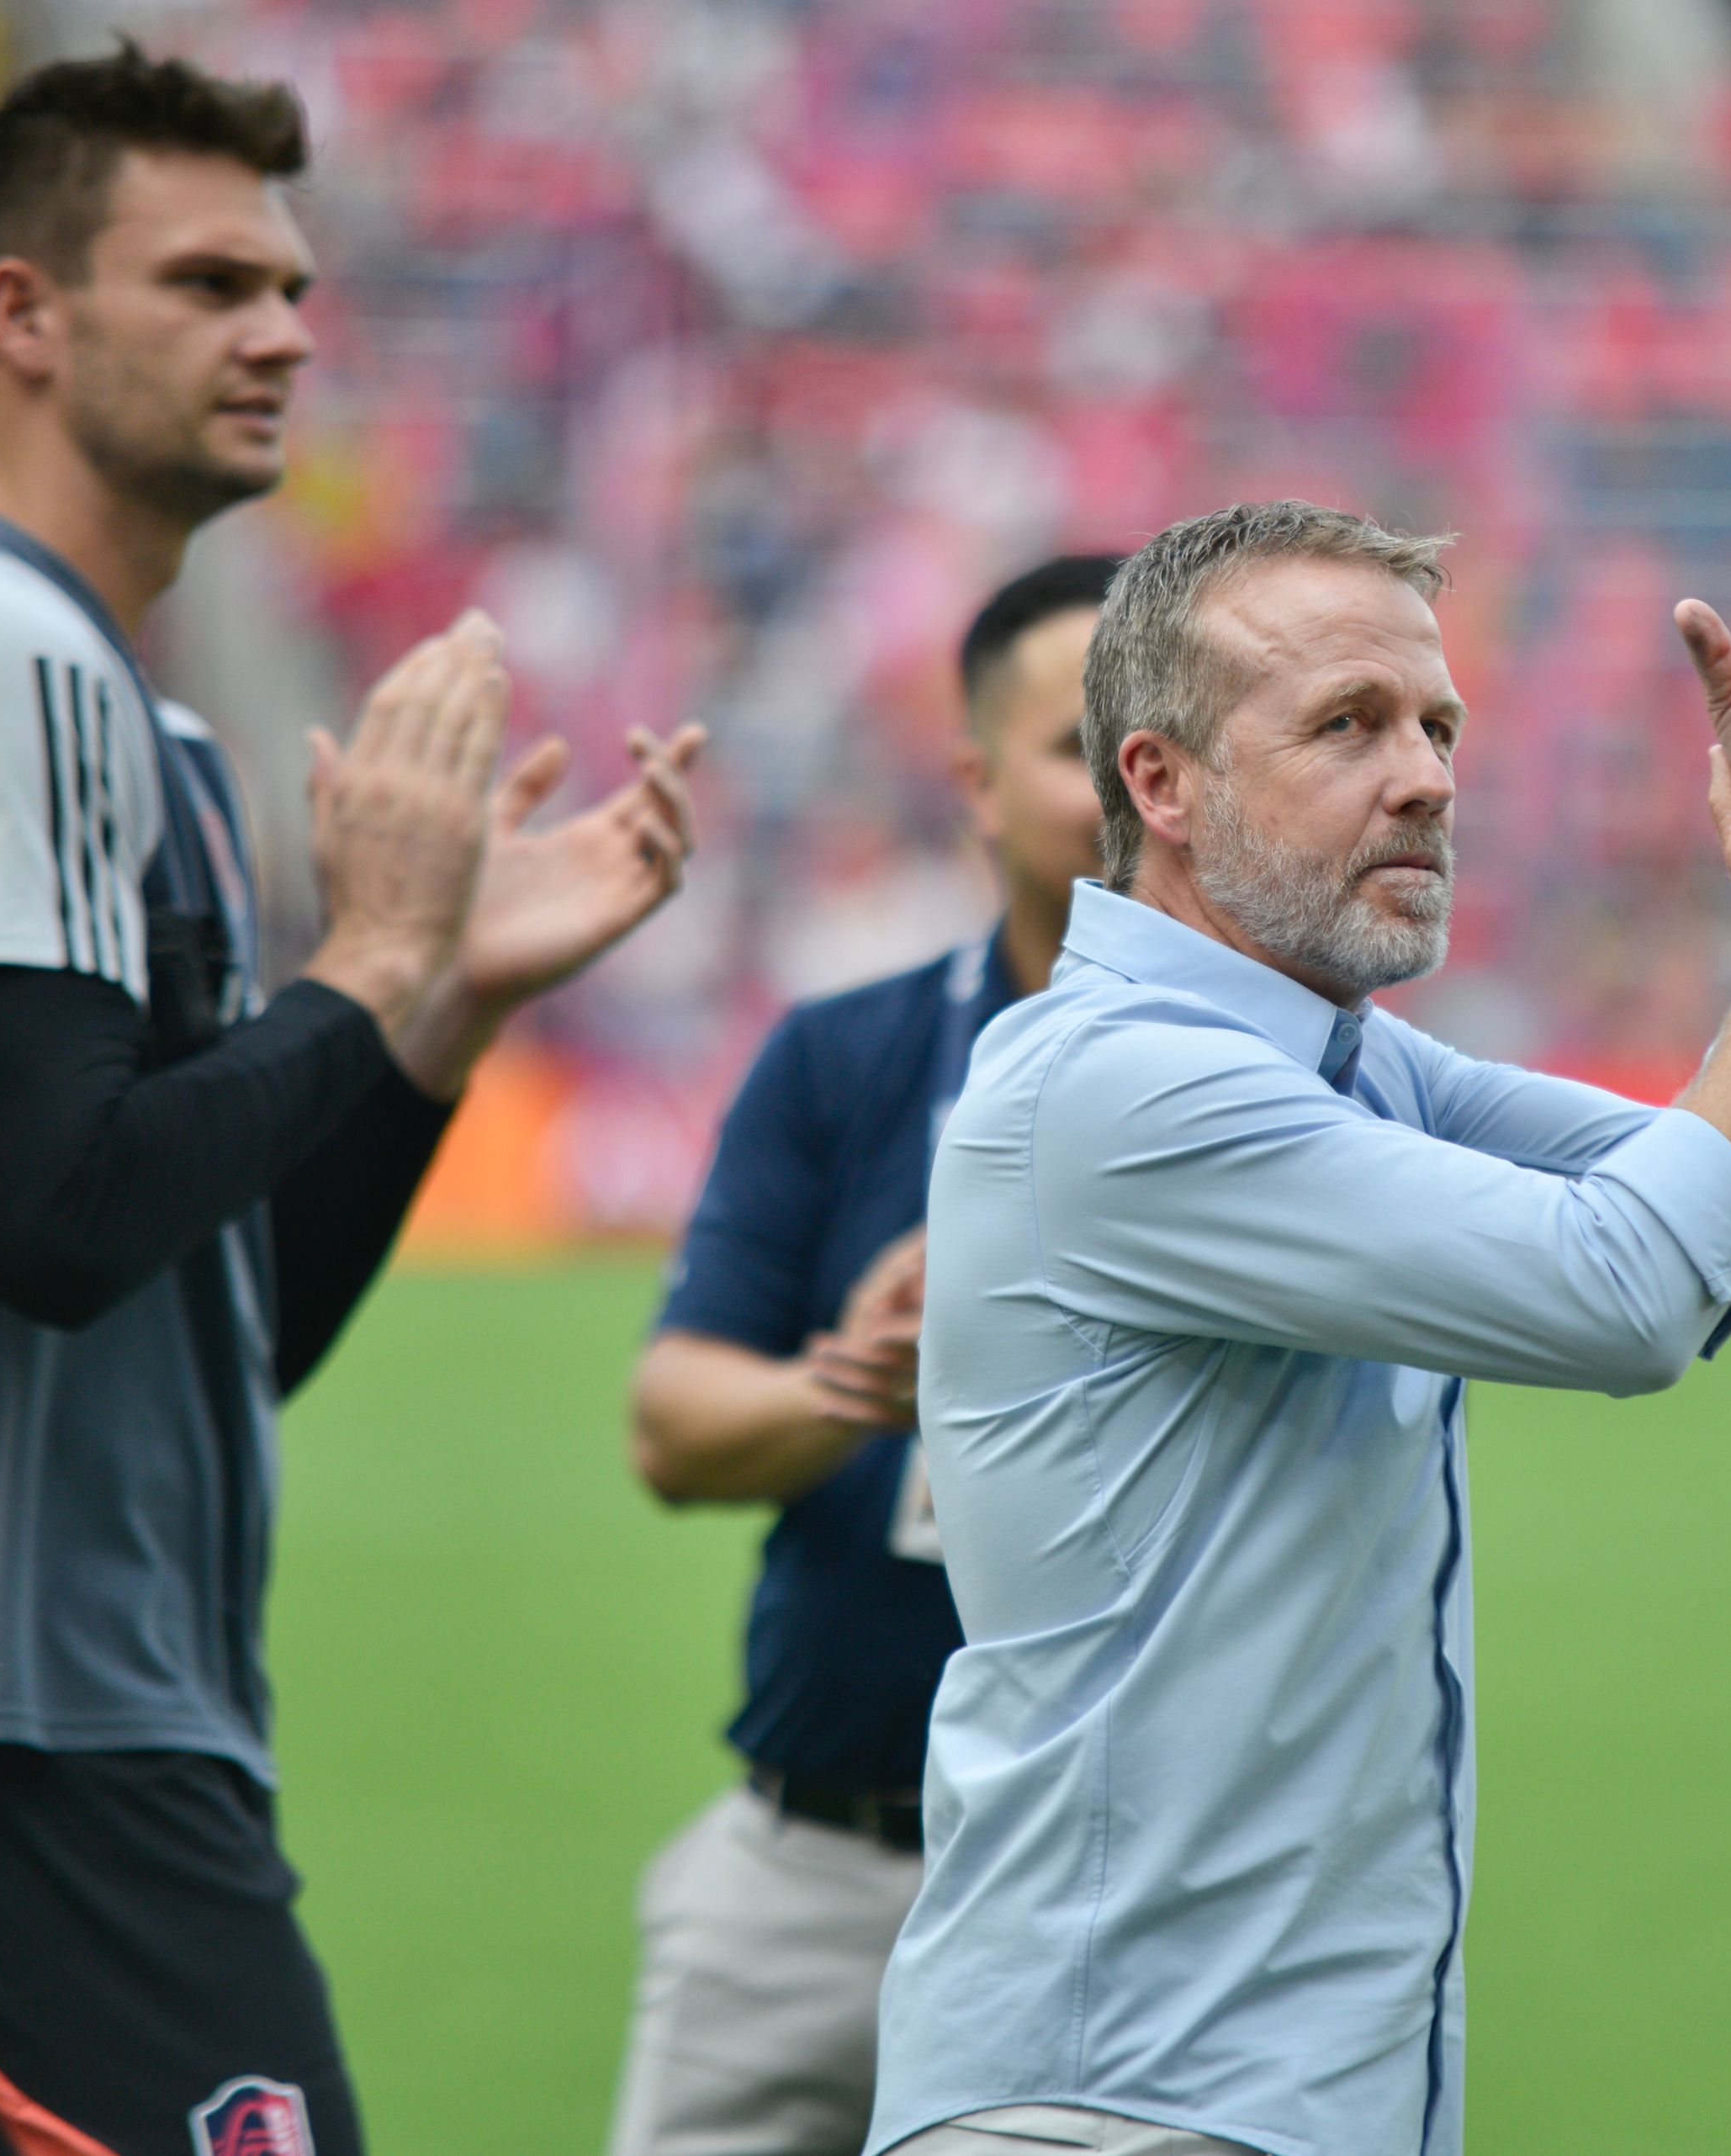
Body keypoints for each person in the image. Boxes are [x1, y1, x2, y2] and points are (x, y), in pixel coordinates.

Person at [0, 45, 702, 2156]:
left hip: (56, 1700)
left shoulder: (122, 707)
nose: (282, 329)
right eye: (207, 280)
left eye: (290, 286)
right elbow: (60, 1216)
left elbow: (223, 1320)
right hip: (7, 1713)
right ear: (25, 316)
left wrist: (430, 1018)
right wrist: (362, 957)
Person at [870, 500, 1731, 2156]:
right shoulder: (1124, 1082)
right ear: (1161, 783)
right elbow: (1629, 1287)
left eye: (1438, 724)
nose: (1428, 774)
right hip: (1110, 2102)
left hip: (1252, 2098)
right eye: (1348, 726)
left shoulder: (1342, 1055)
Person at [610, 554, 1121, 2156]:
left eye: (1172, 745)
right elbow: (672, 1424)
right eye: (1080, 749)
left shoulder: (1306, 1090)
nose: (1135, 790)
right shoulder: (845, 1060)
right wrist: (855, 1381)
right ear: (972, 784)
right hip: (814, 1866)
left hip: (1120, 1899)